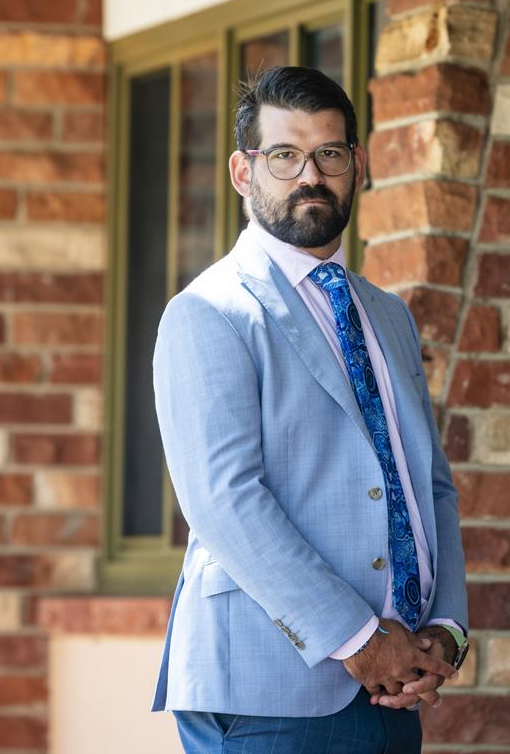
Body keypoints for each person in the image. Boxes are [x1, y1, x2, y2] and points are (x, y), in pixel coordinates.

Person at [150, 66, 469, 753]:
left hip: (396, 684)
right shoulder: (208, 313)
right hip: (270, 692)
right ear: (244, 171)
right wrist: (356, 639)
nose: (309, 176)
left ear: (358, 166)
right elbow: (223, 500)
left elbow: (429, 484)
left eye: (328, 154)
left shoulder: (388, 317)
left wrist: (446, 631)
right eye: (285, 156)